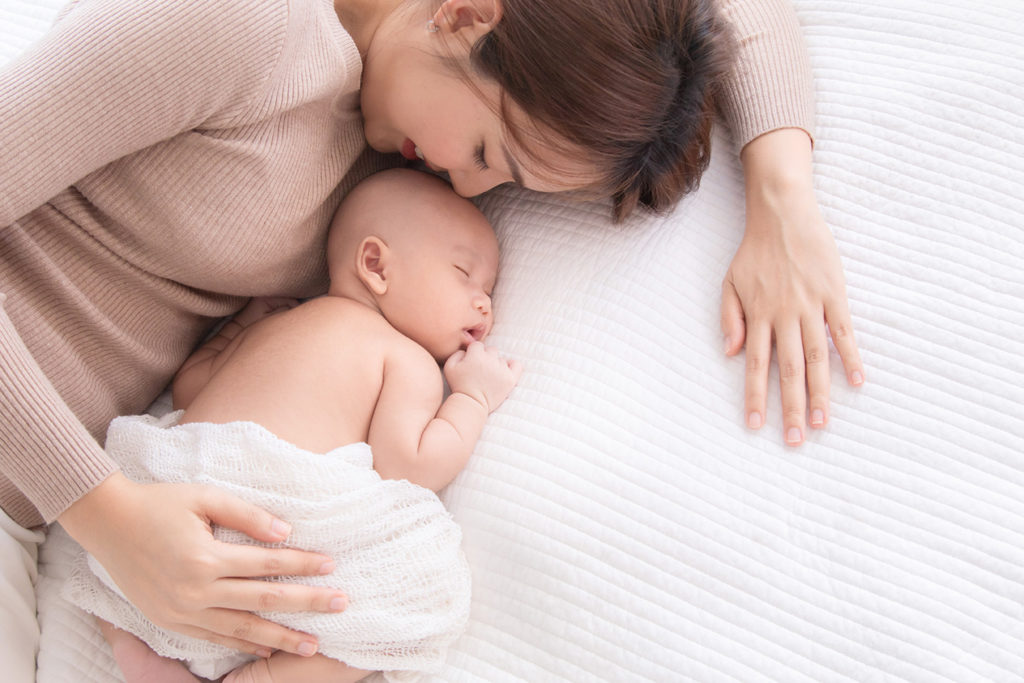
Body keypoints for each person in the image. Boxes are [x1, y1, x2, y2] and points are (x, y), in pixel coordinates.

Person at [0, 0, 864, 676]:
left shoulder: (395, 146)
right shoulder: (236, 25)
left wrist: (783, 196)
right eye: (489, 149)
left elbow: (721, 15)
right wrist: (106, 513)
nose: (467, 183)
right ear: (464, 14)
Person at [68, 168, 521, 683]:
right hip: (273, 526)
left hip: (170, 512)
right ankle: (266, 676)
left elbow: (191, 387)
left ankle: (138, 651)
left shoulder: (275, 327)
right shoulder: (403, 357)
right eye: (465, 274)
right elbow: (411, 465)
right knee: (426, 590)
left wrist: (239, 326)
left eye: (489, 288)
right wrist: (473, 397)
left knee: (103, 561)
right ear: (376, 265)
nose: (484, 301)